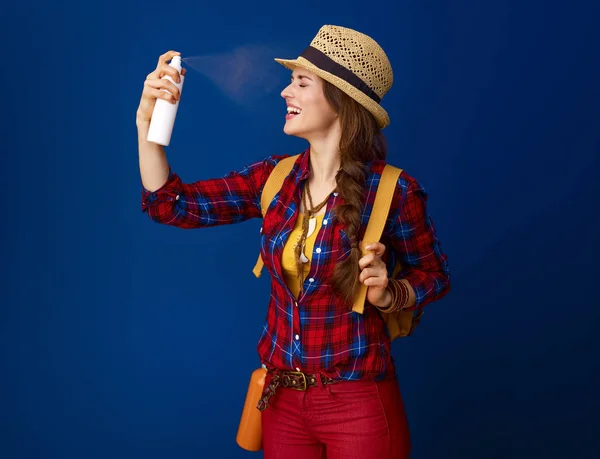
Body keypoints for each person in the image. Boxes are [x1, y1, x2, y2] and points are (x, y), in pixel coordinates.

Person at [136, 25, 450, 459]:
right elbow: (171, 206)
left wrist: (389, 292)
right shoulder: (274, 177)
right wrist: (147, 125)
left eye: (302, 83)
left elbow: (434, 276)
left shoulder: (394, 191)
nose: (285, 93)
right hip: (281, 402)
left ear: (342, 101)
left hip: (358, 405)